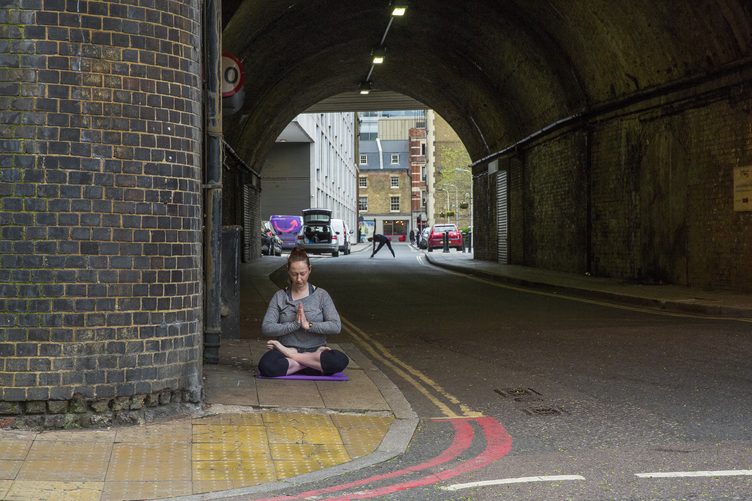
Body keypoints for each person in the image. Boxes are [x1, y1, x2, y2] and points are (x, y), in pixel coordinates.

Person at [258, 248, 349, 377]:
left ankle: (294, 359)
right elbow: (267, 327)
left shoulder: (322, 295)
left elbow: (336, 326)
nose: (299, 279)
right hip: (287, 349)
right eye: (294, 274)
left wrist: (308, 325)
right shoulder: (280, 296)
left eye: (303, 273)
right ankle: (310, 364)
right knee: (266, 365)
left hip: (315, 351)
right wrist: (294, 325)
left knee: (340, 360)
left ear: (310, 270)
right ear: (288, 270)